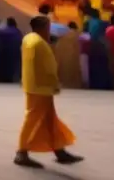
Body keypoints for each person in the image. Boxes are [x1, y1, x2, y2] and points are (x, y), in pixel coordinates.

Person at [14, 15, 83, 168]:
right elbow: (48, 68)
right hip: (41, 88)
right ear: (42, 28)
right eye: (47, 27)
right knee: (33, 119)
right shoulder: (39, 43)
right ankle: (21, 152)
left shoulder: (28, 39)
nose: (48, 30)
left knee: (49, 120)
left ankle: (59, 150)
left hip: (33, 85)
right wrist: (54, 83)